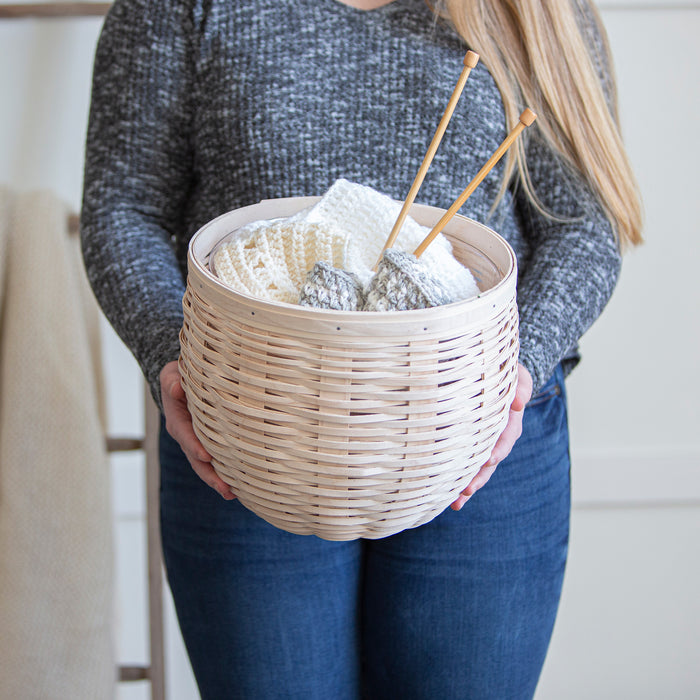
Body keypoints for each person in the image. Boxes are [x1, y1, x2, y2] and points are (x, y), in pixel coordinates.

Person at [81, 0, 642, 697]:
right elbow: (123, 209)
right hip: (251, 431)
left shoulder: (525, 10)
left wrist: (510, 368)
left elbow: (584, 223)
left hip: (483, 439)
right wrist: (175, 352)